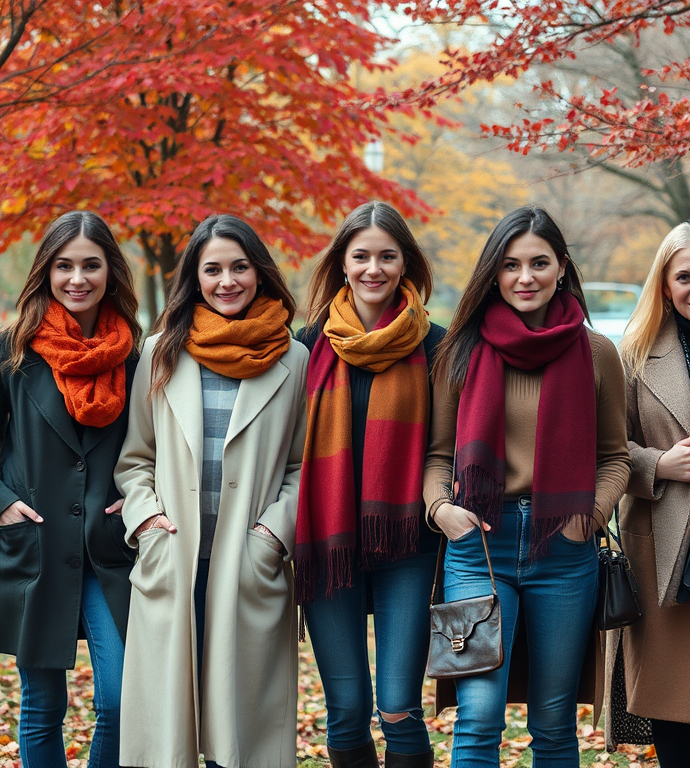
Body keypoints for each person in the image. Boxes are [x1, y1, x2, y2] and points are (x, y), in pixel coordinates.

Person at [423, 205, 630, 767]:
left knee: (555, 720)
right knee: (480, 715)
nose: (525, 277)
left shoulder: (596, 353)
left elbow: (614, 458)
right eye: (511, 265)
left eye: (539, 263)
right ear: (493, 273)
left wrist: (589, 516)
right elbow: (439, 456)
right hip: (477, 547)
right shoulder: (460, 353)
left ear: (561, 267)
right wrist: (441, 507)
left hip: (563, 551)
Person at [115, 214, 308, 768]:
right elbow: (135, 461)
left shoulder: (294, 360)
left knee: (242, 735)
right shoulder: (160, 352)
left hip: (248, 561)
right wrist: (148, 522)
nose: (228, 281)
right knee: (167, 737)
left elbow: (301, 466)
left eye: (240, 267)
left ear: (260, 273)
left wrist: (274, 535)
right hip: (173, 558)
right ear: (194, 278)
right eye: (213, 269)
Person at [295, 201, 445, 768]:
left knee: (399, 706)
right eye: (361, 256)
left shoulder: (438, 346)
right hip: (330, 541)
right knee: (347, 709)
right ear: (342, 263)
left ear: (405, 263)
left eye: (387, 256)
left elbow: (446, 447)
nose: (373, 269)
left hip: (407, 544)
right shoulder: (306, 347)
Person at [0, 211, 141, 768]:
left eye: (90, 264)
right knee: (41, 708)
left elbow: (151, 447)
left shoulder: (136, 353)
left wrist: (141, 492)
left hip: (110, 550)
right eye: (64, 266)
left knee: (120, 697)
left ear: (110, 271)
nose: (77, 278)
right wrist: (3, 504)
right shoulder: (13, 352)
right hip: (35, 547)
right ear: (46, 272)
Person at [605, 222, 690, 765]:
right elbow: (608, 448)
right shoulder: (633, 355)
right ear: (664, 285)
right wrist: (658, 463)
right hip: (661, 537)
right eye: (684, 277)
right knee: (668, 690)